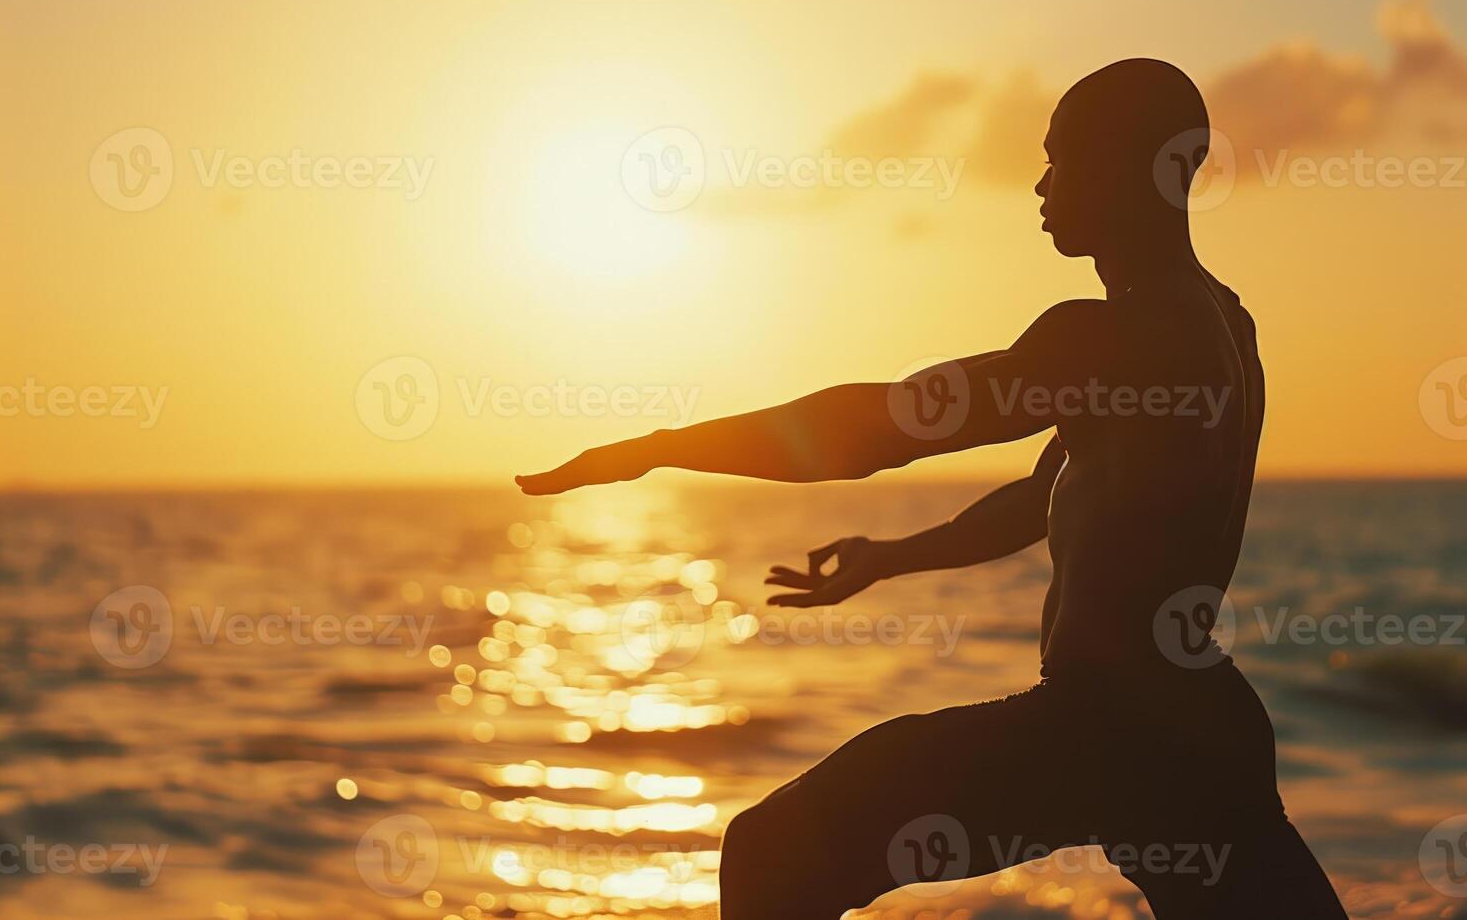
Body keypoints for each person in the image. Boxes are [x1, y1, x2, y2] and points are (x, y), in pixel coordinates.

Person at [517, 59, 1348, 919]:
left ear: (1122, 164)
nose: (1038, 182)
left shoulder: (1106, 339)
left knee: (769, 853)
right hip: (1205, 729)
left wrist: (661, 446)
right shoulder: (1222, 324)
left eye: (1059, 157)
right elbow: (1040, 498)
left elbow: (877, 430)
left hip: (1105, 732)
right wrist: (890, 556)